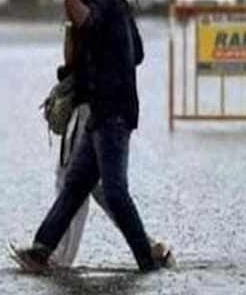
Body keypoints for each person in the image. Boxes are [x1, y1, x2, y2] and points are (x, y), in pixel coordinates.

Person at [13, 0, 169, 273]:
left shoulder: (102, 3)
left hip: (113, 112)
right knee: (74, 185)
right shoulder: (116, 3)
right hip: (100, 112)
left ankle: (147, 257)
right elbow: (136, 53)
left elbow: (91, 22)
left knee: (114, 191)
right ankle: (41, 251)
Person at [50, 23, 174, 268]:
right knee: (93, 184)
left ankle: (61, 256)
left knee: (72, 179)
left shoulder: (84, 7)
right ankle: (148, 245)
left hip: (90, 106)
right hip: (102, 105)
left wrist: (69, 31)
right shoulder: (106, 10)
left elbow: (73, 59)